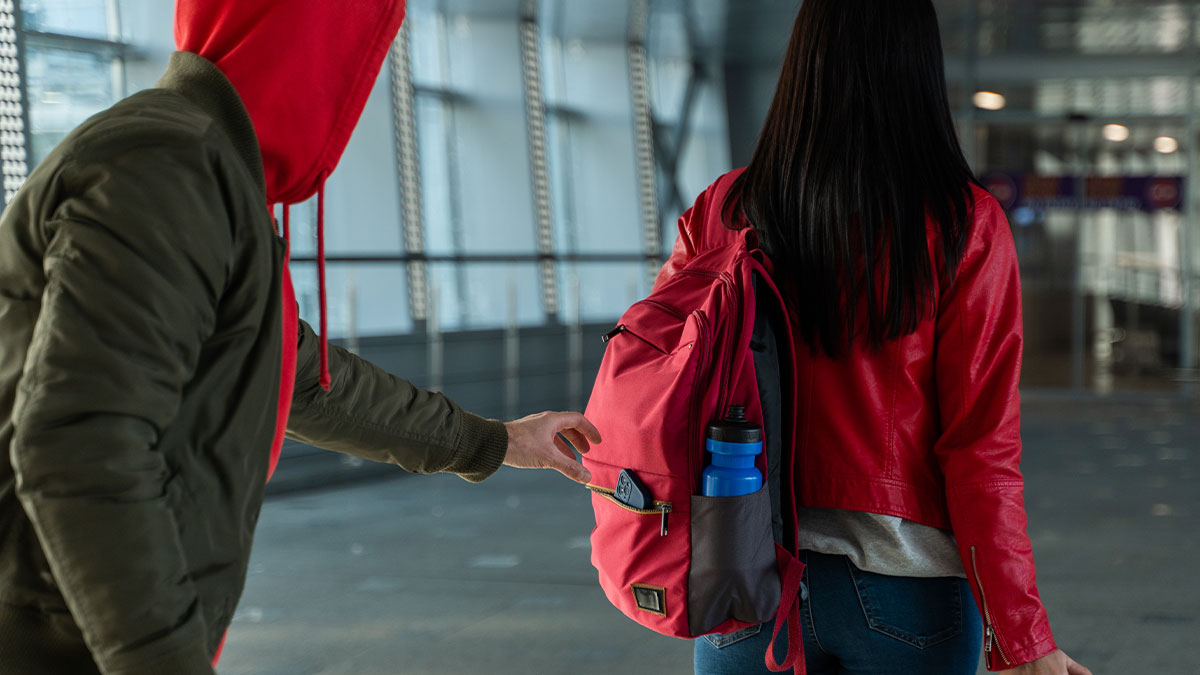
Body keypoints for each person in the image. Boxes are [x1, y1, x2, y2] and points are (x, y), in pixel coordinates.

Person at [0, 1, 599, 673]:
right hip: (59, 641)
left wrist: (497, 440)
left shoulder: (209, 172)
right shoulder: (171, 166)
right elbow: (81, 441)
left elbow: (311, 379)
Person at [655, 2, 1091, 674]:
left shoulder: (726, 207)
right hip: (906, 590)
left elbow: (663, 382)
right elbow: (981, 453)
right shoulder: (964, 225)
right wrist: (1024, 639)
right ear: (920, 68)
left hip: (739, 572)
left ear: (802, 64)